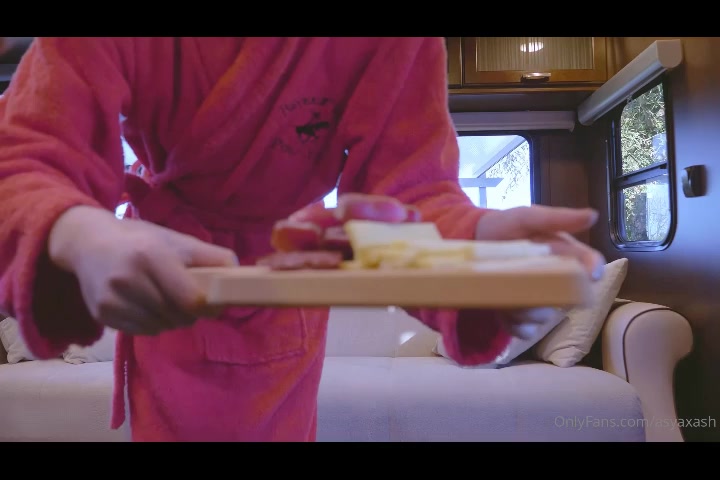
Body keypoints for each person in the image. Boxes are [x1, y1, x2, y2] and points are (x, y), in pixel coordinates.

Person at [0, 37, 605, 442]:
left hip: (283, 290)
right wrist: (81, 231)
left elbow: (410, 190)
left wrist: (468, 245)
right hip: (170, 279)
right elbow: (27, 156)